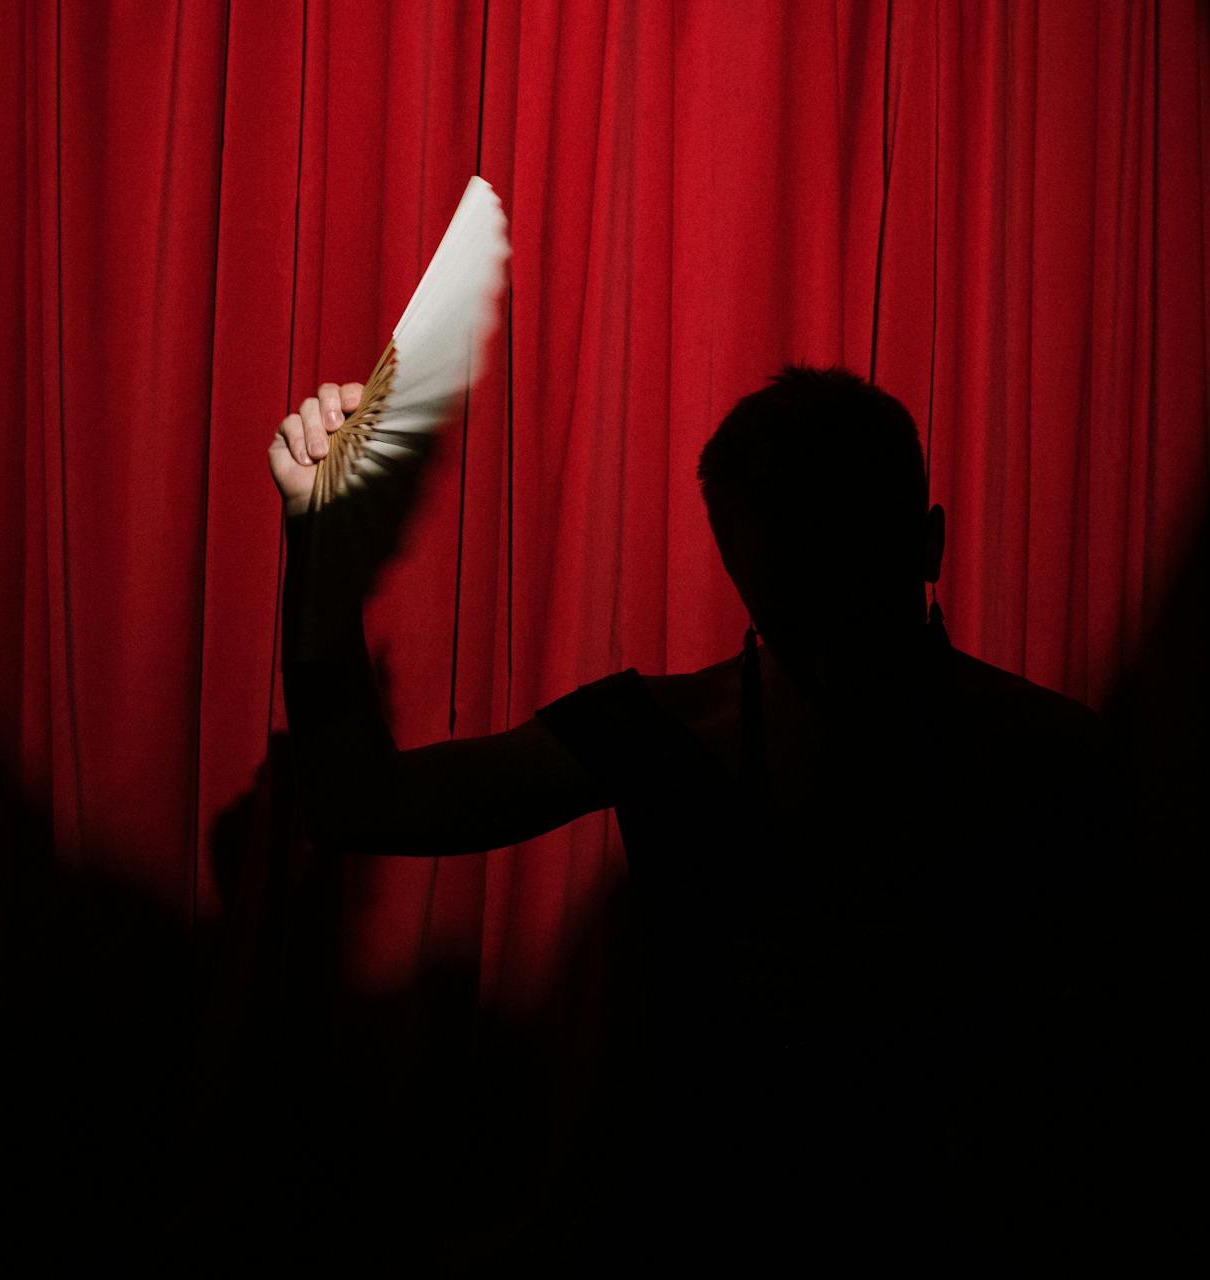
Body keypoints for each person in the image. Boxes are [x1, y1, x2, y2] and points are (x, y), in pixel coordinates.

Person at [269, 364, 1118, 1264]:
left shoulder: (1064, 760)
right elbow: (359, 804)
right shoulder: (667, 732)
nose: (831, 671)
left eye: (857, 610)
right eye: (792, 619)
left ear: (927, 547)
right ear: (738, 573)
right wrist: (320, 542)